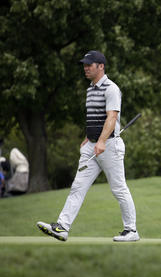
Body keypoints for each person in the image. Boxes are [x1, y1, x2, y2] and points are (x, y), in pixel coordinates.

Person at [37, 50, 138, 242]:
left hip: (109, 146)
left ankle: (131, 230)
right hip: (92, 146)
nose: (85, 68)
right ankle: (62, 227)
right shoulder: (90, 89)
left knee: (119, 189)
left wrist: (100, 141)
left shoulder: (111, 88)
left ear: (101, 66)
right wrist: (88, 137)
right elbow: (95, 118)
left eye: (89, 65)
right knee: (78, 187)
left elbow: (112, 117)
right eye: (84, 65)